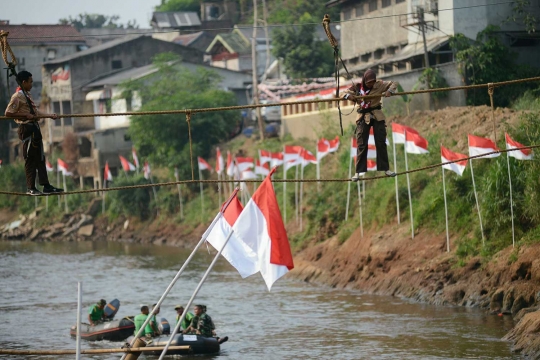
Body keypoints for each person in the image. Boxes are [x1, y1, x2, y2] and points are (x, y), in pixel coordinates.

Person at [4, 71, 64, 195]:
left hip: (35, 129)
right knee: (30, 159)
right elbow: (8, 113)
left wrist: (49, 116)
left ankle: (46, 185)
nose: (32, 84)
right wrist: (25, 115)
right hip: (26, 129)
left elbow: (35, 112)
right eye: (30, 82)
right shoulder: (17, 96)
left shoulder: (27, 95)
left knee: (40, 158)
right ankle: (31, 188)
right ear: (24, 82)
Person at [342, 68, 397, 181]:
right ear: (365, 81)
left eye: (372, 81)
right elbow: (343, 93)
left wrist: (389, 91)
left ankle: (385, 169)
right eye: (369, 82)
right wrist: (349, 96)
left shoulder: (380, 84)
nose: (371, 84)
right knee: (361, 144)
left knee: (381, 142)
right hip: (363, 116)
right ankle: (358, 172)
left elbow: (394, 83)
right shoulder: (357, 88)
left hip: (377, 114)